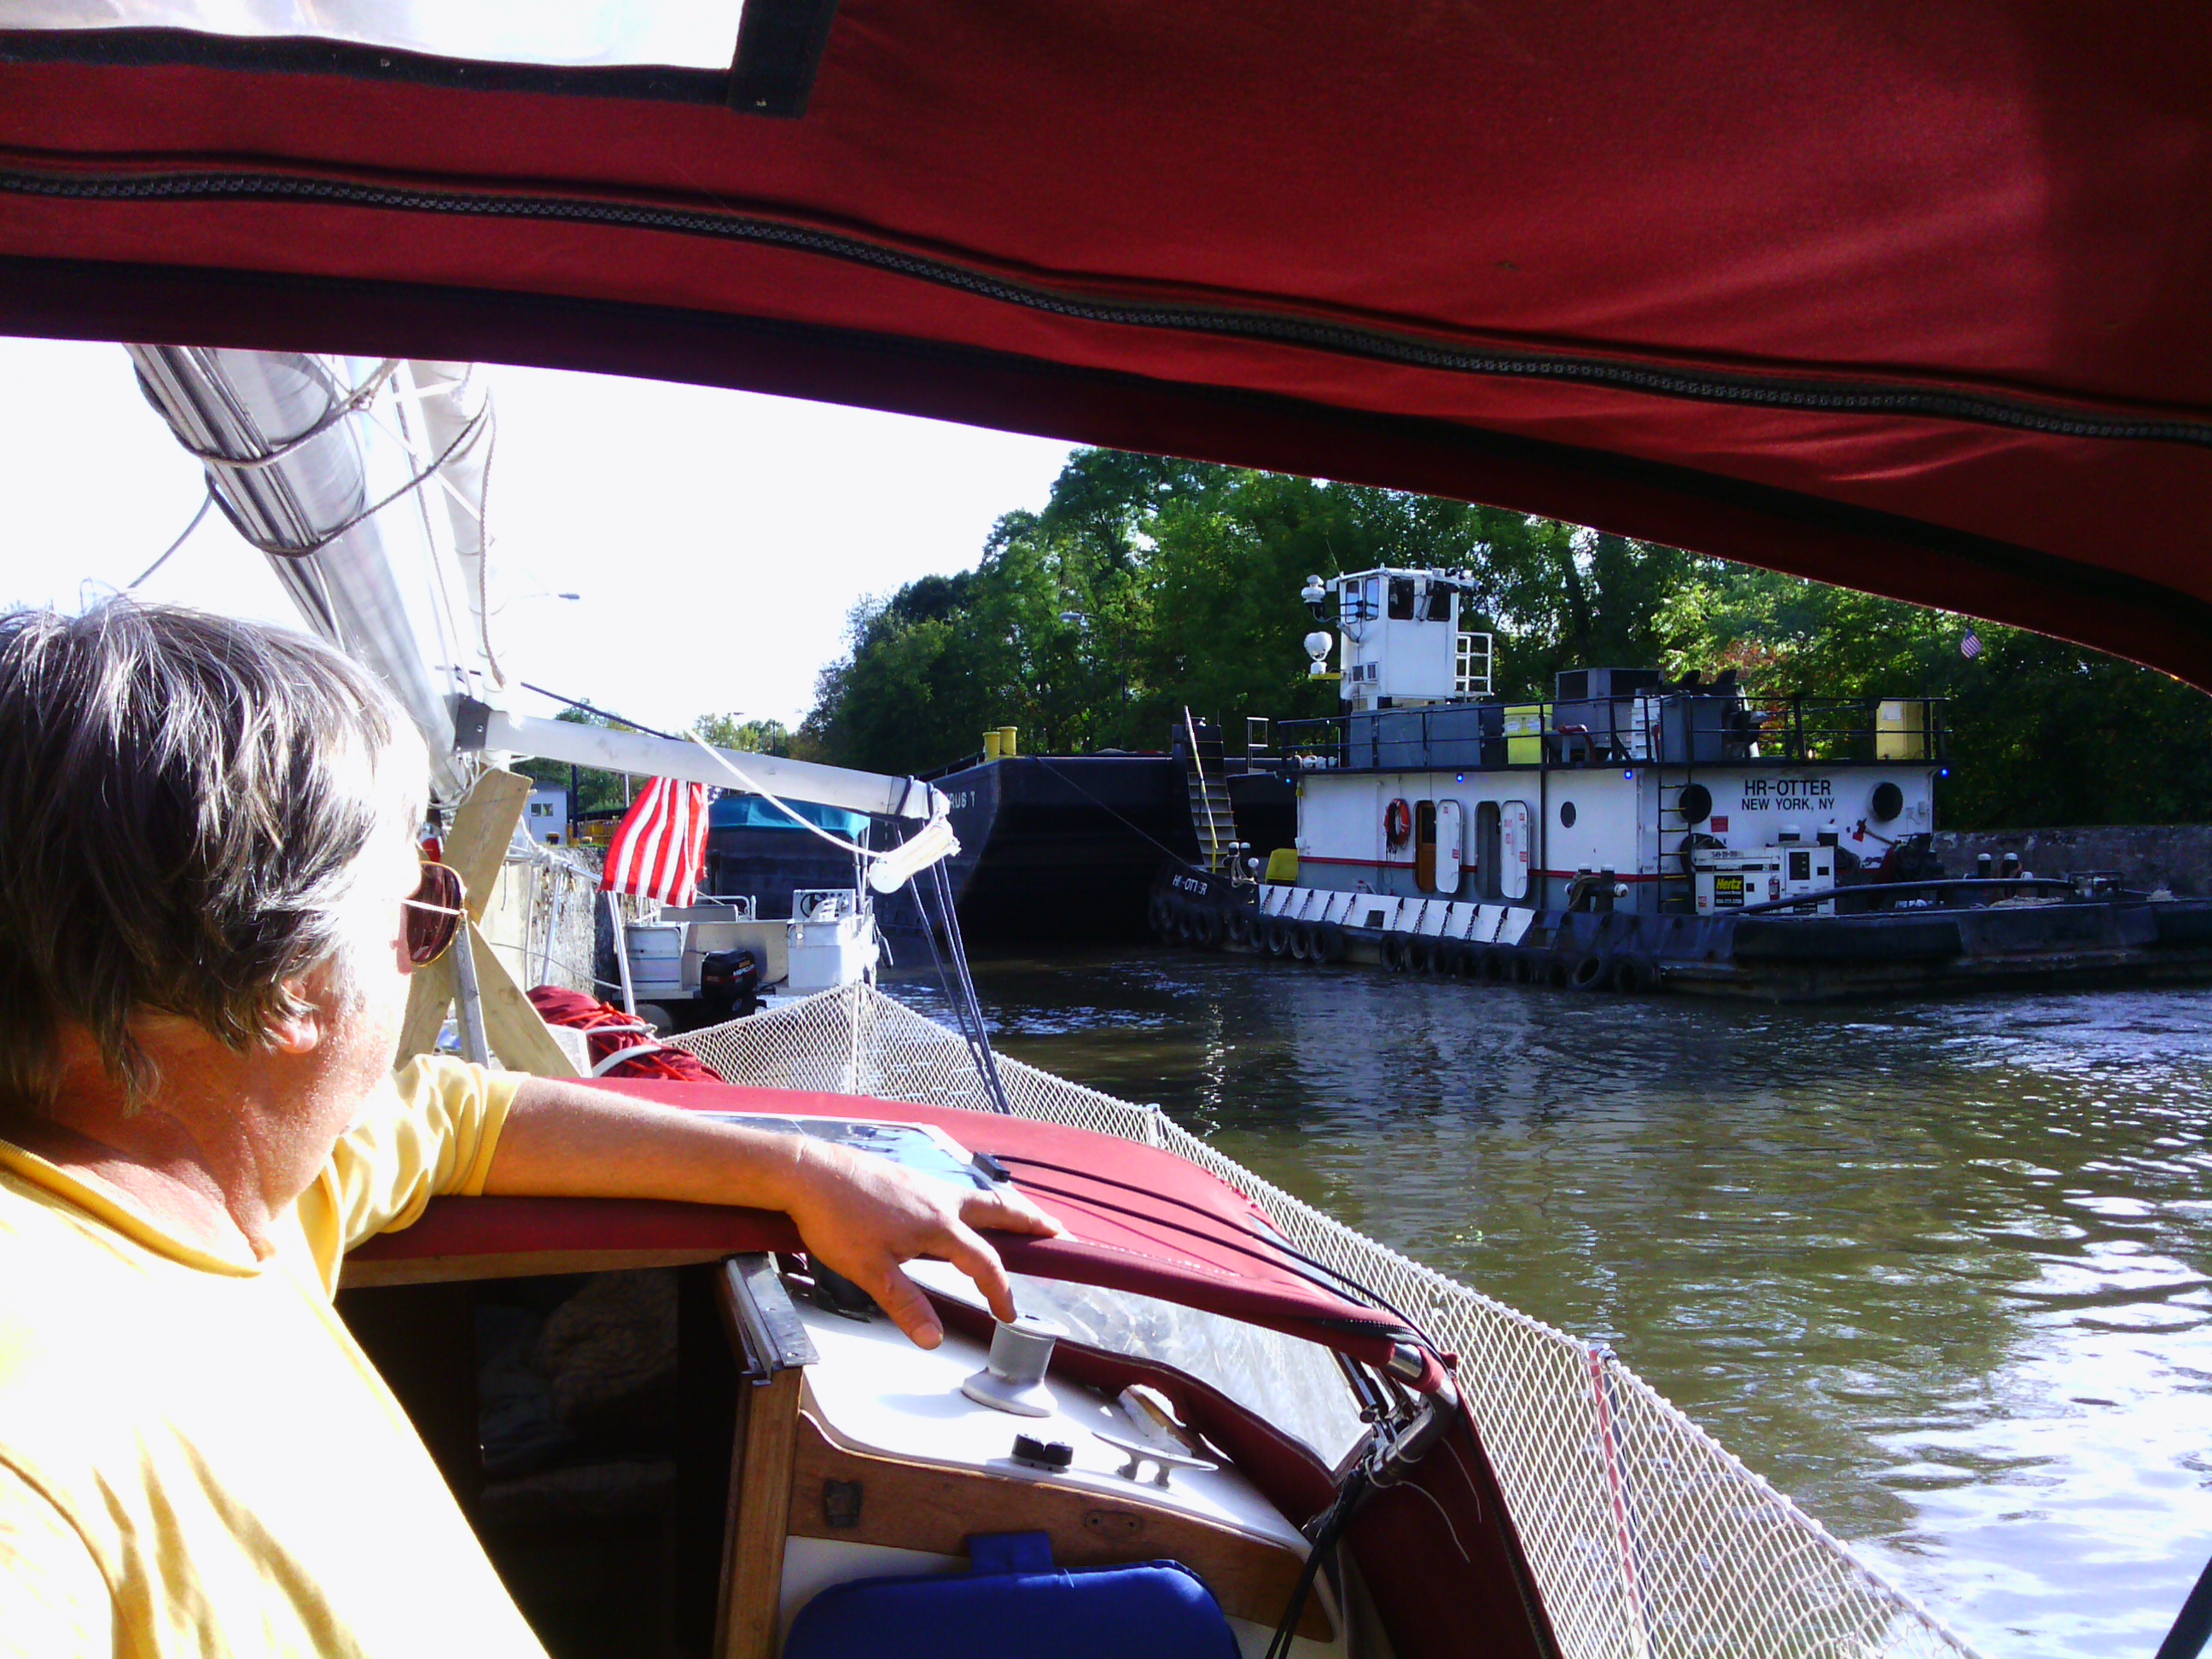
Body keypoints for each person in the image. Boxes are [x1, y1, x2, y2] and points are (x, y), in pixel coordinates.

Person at [0, 601, 1060, 1656]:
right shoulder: (35, 1427)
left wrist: (801, 1170)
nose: (425, 941)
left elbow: (456, 1112)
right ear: (289, 990)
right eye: (419, 912)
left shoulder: (226, 1174)